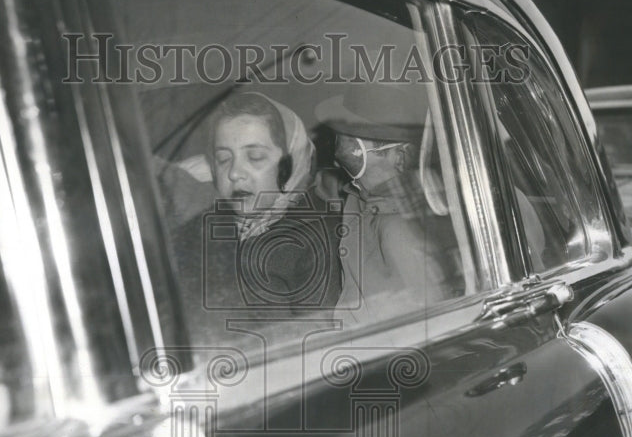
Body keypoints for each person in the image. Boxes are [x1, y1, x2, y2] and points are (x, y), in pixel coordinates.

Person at [174, 92, 341, 317]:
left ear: (290, 163)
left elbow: (318, 342)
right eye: (223, 159)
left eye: (255, 157)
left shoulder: (318, 239)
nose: (234, 173)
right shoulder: (202, 225)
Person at [318, 87, 462, 323]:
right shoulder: (359, 200)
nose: (337, 158)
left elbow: (423, 329)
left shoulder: (400, 231)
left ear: (400, 157)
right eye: (339, 144)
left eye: (353, 151)